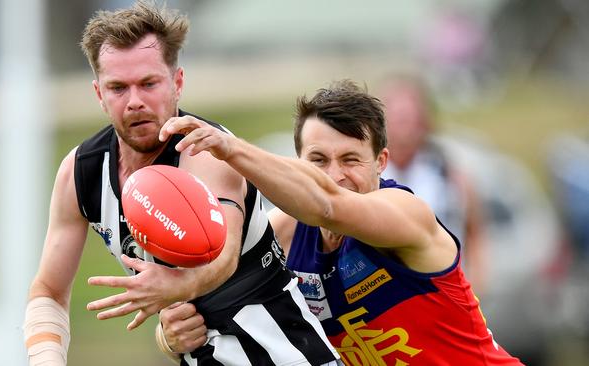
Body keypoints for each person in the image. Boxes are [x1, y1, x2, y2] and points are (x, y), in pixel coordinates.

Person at [22, 2, 340, 365]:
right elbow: (47, 290)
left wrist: (175, 289)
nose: (135, 101)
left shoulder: (206, 149)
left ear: (177, 83)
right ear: (99, 94)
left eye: (148, 83)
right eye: (118, 88)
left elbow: (222, 257)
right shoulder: (81, 172)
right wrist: (45, 357)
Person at [157, 79, 523, 365]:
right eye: (317, 160)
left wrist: (230, 148)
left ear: (381, 162)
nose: (335, 175)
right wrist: (170, 336)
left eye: (350, 159)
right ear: (297, 161)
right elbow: (211, 297)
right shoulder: (283, 233)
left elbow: (329, 205)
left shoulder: (406, 213)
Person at [380, 75, 487, 294]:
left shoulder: (448, 173)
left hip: (446, 293)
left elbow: (475, 232)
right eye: (397, 117)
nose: (405, 125)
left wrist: (476, 285)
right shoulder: (370, 175)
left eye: (410, 116)